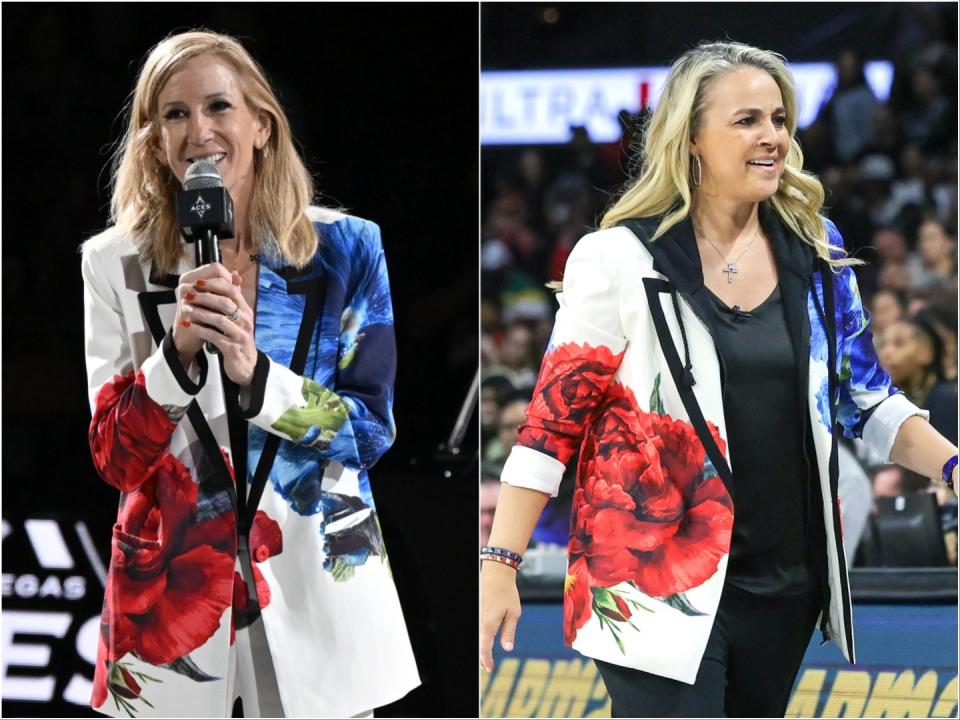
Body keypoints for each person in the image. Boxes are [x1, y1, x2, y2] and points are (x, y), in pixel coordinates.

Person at [479, 41, 959, 718]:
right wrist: (499, 563)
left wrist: (953, 466)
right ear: (693, 138)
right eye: (747, 121)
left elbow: (866, 399)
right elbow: (551, 424)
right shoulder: (618, 258)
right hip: (649, 580)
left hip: (785, 586)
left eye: (780, 119)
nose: (772, 137)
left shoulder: (814, 250)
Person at [82, 30, 419, 718]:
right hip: (171, 618)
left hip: (322, 598)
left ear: (261, 125)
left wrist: (260, 379)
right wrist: (174, 360)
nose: (198, 131)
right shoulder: (112, 264)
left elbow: (368, 430)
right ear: (152, 139)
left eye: (217, 107)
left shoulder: (348, 250)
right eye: (173, 114)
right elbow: (115, 457)